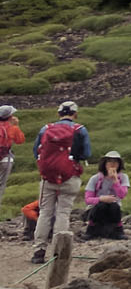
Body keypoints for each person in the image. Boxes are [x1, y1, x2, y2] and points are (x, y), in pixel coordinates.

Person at [30, 100, 89, 265]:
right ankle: (59, 251)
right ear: (75, 114)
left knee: (45, 212)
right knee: (63, 212)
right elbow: (86, 153)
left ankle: (38, 251)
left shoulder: (46, 129)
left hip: (47, 177)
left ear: (59, 113)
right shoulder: (80, 130)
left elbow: (36, 151)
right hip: (70, 176)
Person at [82, 152, 128, 240]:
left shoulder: (123, 177)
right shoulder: (95, 178)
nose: (112, 164)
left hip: (114, 209)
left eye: (115, 162)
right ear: (104, 164)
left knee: (114, 206)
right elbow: (88, 199)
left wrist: (115, 180)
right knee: (102, 206)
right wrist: (101, 199)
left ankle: (118, 231)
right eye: (110, 161)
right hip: (96, 209)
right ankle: (91, 231)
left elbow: (122, 195)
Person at [0, 106, 24, 200]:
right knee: (1, 184)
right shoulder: (12, 128)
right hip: (5, 158)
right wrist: (16, 125)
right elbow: (20, 140)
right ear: (10, 116)